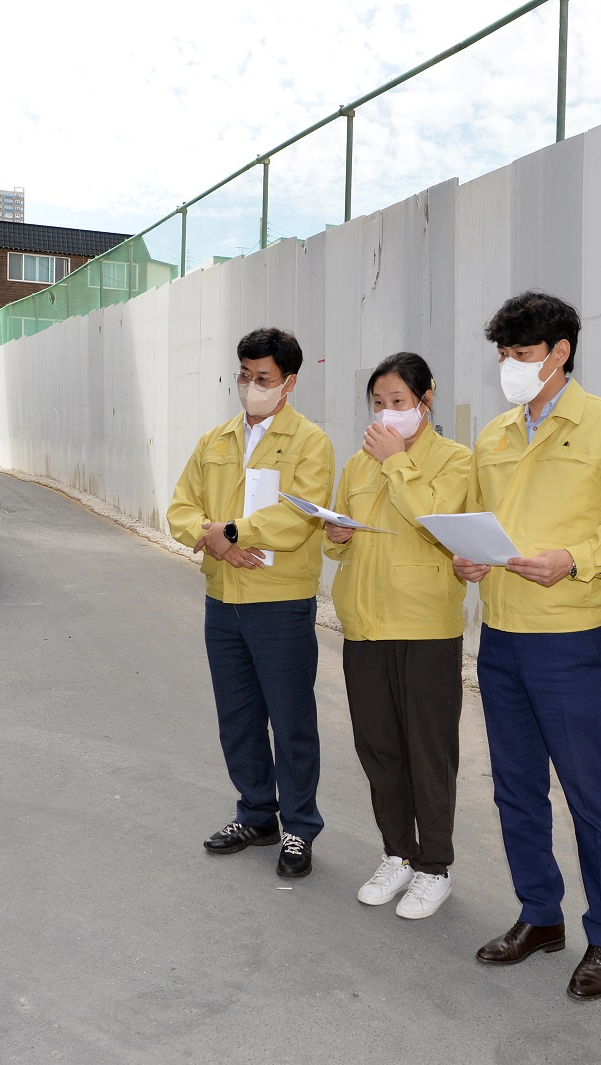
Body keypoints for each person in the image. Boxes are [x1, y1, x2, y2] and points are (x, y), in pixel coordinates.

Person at [454, 290, 601, 1000]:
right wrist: (467, 558)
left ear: (561, 351)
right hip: (501, 635)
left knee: (590, 794)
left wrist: (573, 556)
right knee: (515, 789)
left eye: (522, 353)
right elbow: (480, 519)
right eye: (503, 355)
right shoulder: (496, 434)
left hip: (567, 639)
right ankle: (540, 915)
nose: (510, 366)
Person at [168, 327, 335, 878]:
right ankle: (257, 813)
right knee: (237, 716)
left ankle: (299, 826)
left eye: (262, 379)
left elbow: (301, 515)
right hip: (223, 599)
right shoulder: (216, 440)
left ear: (289, 383)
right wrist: (211, 534)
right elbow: (181, 507)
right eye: (244, 375)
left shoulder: (311, 443)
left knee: (290, 719)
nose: (251, 387)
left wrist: (233, 532)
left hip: (280, 602)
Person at [325, 352, 471, 919]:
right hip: (364, 626)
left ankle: (435, 866)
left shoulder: (456, 461)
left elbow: (435, 520)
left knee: (428, 750)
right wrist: (334, 532)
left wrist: (397, 464)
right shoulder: (357, 466)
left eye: (399, 402)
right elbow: (337, 542)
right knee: (378, 747)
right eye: (378, 404)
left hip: (425, 626)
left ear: (425, 399)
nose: (387, 414)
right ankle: (398, 854)